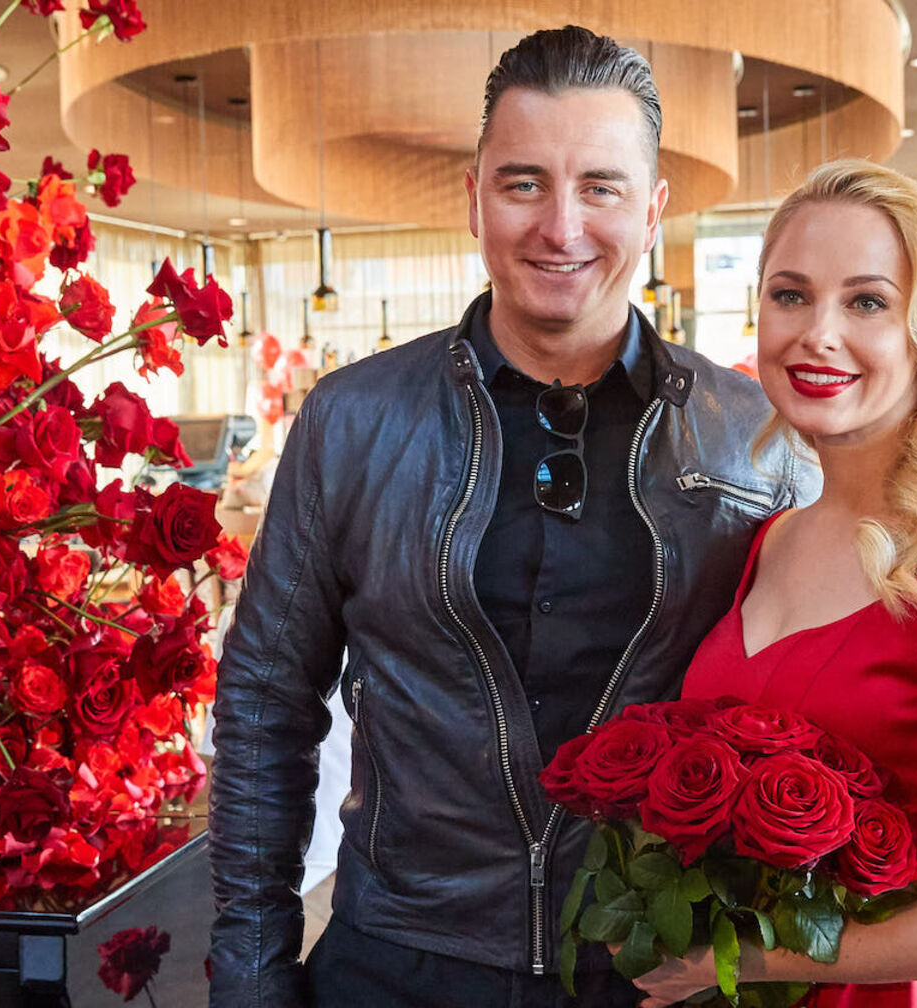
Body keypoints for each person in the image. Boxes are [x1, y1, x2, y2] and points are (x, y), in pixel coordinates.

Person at [209, 26, 812, 1008]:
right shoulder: (354, 420)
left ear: (653, 209)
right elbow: (268, 698)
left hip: (657, 968)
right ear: (475, 198)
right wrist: (249, 973)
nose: (560, 225)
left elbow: (819, 720)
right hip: (396, 955)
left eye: (602, 188)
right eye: (524, 182)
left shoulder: (756, 440)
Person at [639, 160, 917, 1008]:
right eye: (791, 294)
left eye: (867, 302)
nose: (818, 333)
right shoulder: (775, 535)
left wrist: (735, 964)